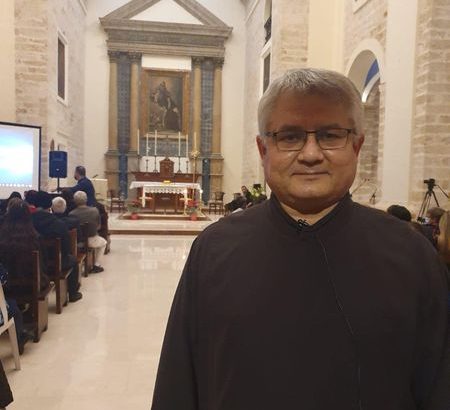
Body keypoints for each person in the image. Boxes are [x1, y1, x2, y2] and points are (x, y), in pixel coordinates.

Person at [151, 69, 449, 410]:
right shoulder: (214, 249)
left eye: (330, 135)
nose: (310, 154)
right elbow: (179, 380)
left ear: (357, 146)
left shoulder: (411, 255)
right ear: (263, 149)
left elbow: (439, 385)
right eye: (289, 137)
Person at [32, 191, 82, 303]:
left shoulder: (29, 221)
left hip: (33, 264)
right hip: (56, 263)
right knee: (73, 260)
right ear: (50, 206)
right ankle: (73, 293)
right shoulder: (58, 223)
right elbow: (66, 248)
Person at [69, 191, 106, 273]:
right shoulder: (94, 211)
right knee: (103, 242)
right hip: (92, 239)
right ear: (86, 200)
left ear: (75, 201)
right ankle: (96, 264)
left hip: (77, 242)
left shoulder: (71, 214)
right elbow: (98, 226)